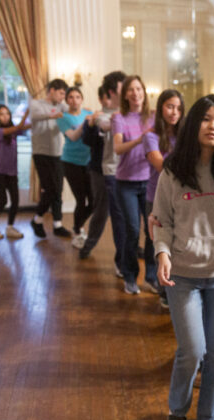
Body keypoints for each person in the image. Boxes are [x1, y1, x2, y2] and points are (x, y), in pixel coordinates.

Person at [152, 94, 214, 420]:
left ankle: (210, 415)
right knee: (192, 350)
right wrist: (162, 253)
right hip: (184, 274)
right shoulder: (173, 171)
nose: (213, 127)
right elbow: (161, 219)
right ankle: (177, 409)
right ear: (194, 123)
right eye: (207, 119)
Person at [78, 71, 126, 279]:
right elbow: (87, 140)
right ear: (109, 94)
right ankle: (88, 245)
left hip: (125, 173)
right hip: (100, 171)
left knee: (125, 217)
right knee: (102, 211)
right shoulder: (98, 117)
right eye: (122, 88)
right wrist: (91, 123)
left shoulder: (128, 114)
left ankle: (126, 256)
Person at [113, 75, 156, 294]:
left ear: (144, 92)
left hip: (149, 182)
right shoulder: (119, 117)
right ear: (126, 95)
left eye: (138, 88)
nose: (135, 93)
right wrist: (142, 138)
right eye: (131, 89)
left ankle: (150, 276)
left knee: (151, 233)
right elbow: (118, 148)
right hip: (126, 183)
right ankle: (129, 275)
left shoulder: (154, 117)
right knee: (132, 230)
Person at [144, 88, 184, 308]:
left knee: (177, 243)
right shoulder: (151, 136)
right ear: (160, 108)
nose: (174, 112)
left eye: (178, 108)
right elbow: (161, 166)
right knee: (158, 241)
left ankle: (174, 285)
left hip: (181, 198)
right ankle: (161, 289)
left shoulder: (185, 136)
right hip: (156, 196)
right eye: (170, 106)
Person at [29, 78, 71, 238]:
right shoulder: (36, 104)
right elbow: (38, 115)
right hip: (41, 153)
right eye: (61, 93)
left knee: (58, 189)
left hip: (58, 154)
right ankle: (37, 219)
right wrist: (59, 113)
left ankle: (57, 225)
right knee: (50, 189)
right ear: (52, 90)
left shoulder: (61, 105)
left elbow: (73, 110)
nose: (63, 97)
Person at [0, 104, 31, 238]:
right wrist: (27, 112)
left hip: (12, 171)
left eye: (7, 113)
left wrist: (42, 116)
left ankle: (10, 227)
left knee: (15, 201)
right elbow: (19, 127)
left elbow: (26, 126)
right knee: (3, 201)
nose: (5, 116)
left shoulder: (12, 131)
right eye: (1, 114)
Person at [57, 87, 93, 248]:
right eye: (70, 97)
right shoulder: (62, 117)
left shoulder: (88, 114)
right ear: (67, 100)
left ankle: (77, 226)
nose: (74, 100)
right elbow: (72, 136)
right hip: (70, 163)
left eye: (78, 96)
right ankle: (78, 232)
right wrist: (87, 121)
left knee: (94, 201)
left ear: (82, 99)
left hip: (89, 162)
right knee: (81, 199)